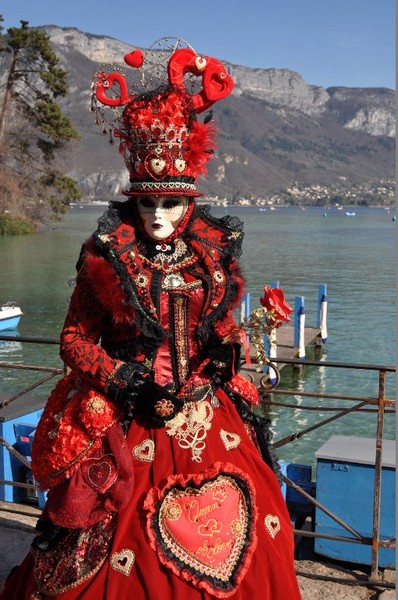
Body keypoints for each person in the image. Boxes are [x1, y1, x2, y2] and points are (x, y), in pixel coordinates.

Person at [0, 39, 302, 600]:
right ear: (132, 203)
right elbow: (73, 340)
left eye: (170, 204)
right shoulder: (107, 260)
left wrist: (235, 351)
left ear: (189, 204)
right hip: (130, 414)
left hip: (207, 416)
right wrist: (124, 379)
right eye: (147, 204)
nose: (158, 216)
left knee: (255, 532)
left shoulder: (211, 259)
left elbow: (223, 329)